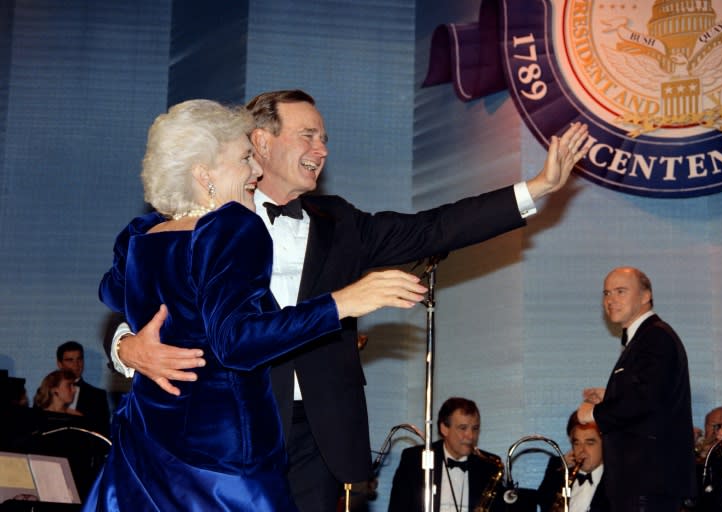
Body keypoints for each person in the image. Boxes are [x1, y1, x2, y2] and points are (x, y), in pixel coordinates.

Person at [107, 90, 591, 512]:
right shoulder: (191, 219)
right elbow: (134, 294)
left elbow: (434, 227)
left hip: (318, 431)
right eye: (309, 135)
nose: (322, 149)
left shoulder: (339, 223)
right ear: (260, 141)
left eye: (324, 139)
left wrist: (537, 188)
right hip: (226, 428)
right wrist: (126, 348)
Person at [82, 99, 426, 511]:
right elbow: (236, 341)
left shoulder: (141, 234)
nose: (256, 171)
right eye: (245, 158)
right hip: (225, 458)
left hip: (146, 444)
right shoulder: (232, 229)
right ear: (203, 173)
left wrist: (131, 339)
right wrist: (343, 302)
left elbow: (112, 290)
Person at [577, 266, 696, 512]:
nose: (610, 300)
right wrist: (609, 396)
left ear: (645, 296)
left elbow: (645, 400)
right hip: (642, 483)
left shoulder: (655, 338)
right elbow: (649, 393)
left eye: (620, 291)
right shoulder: (646, 337)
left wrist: (594, 413)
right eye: (607, 293)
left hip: (647, 482)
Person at [388, 397, 505, 512]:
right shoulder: (414, 459)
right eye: (463, 428)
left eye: (475, 428)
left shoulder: (490, 466)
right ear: (444, 428)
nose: (470, 436)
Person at [537, 411, 609, 512]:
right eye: (577, 443)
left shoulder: (618, 482)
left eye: (590, 443)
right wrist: (561, 466)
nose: (582, 450)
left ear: (605, 445)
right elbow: (542, 499)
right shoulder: (560, 475)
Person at [56, 340, 111, 436]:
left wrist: (82, 420)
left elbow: (103, 430)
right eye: (70, 360)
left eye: (79, 359)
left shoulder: (97, 396)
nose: (76, 365)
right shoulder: (47, 391)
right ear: (59, 364)